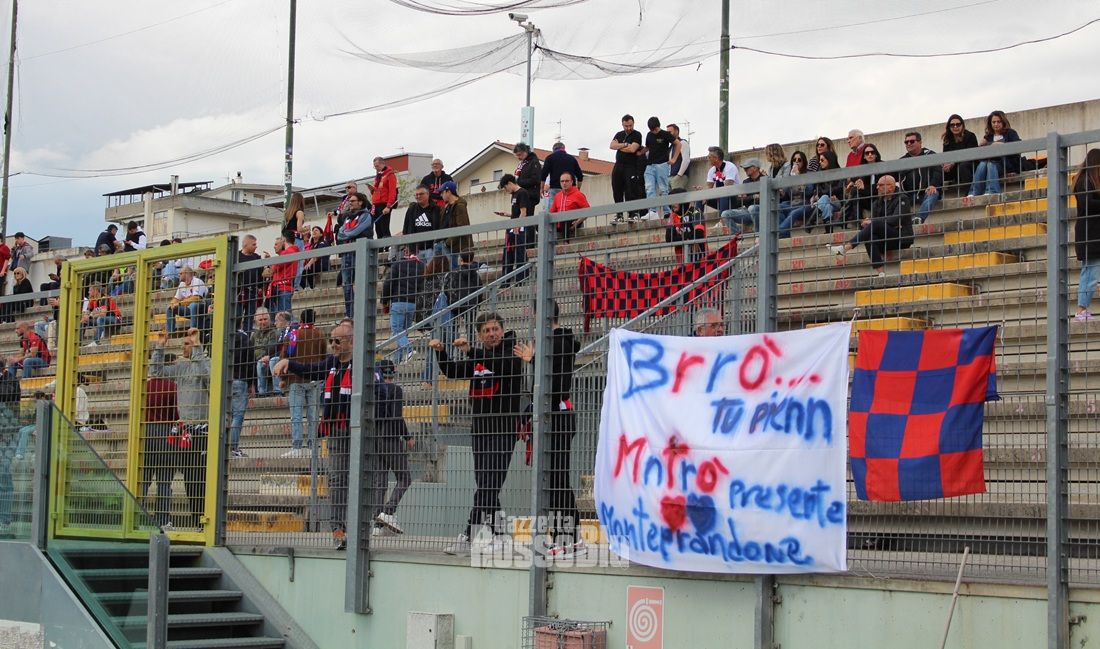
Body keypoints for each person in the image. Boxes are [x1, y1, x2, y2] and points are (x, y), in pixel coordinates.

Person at [431, 313, 525, 555]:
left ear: (502, 330)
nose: (492, 334)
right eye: (486, 331)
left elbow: (501, 366)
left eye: (495, 329)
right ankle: (500, 536)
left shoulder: (512, 353)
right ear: (480, 335)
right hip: (481, 430)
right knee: (485, 485)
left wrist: (471, 351)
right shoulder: (479, 358)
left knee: (488, 485)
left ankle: (469, 535)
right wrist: (441, 352)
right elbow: (452, 371)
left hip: (503, 430)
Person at [273, 322, 355, 549]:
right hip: (336, 429)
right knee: (337, 478)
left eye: (337, 341)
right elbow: (311, 370)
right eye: (331, 340)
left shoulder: (363, 365)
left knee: (362, 478)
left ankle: (363, 525)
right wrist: (289, 363)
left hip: (360, 430)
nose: (333, 345)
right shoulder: (331, 363)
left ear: (351, 342)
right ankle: (338, 528)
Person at [514, 302, 582, 554]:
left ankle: (570, 537)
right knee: (552, 480)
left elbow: (555, 383)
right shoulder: (554, 341)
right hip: (552, 417)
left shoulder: (559, 340)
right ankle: (563, 536)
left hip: (558, 418)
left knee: (557, 479)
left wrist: (533, 360)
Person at [149, 333, 211, 530]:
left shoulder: (206, 363)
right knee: (189, 478)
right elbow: (156, 371)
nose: (183, 347)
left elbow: (208, 376)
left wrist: (198, 347)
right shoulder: (182, 367)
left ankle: (205, 520)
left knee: (201, 477)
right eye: (183, 344)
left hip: (203, 429)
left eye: (187, 344)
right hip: (185, 430)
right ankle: (197, 520)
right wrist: (160, 346)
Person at [829, 175, 914, 277]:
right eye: (877, 185)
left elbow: (895, 220)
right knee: (870, 237)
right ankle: (881, 272)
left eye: (881, 185)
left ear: (891, 187)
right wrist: (867, 223)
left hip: (901, 238)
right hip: (885, 238)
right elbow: (875, 224)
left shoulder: (902, 198)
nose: (877, 187)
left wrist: (873, 222)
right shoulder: (877, 202)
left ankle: (845, 248)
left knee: (875, 223)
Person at [370, 359, 413, 536]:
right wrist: (407, 436)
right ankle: (388, 512)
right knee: (405, 478)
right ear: (393, 373)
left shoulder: (373, 390)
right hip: (390, 439)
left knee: (380, 481)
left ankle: (377, 524)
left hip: (375, 438)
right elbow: (396, 417)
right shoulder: (395, 390)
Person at [282, 308, 326, 457]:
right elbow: (323, 357)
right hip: (314, 380)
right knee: (313, 416)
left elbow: (284, 358)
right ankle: (313, 446)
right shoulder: (320, 334)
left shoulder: (292, 335)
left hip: (296, 379)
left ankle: (297, 447)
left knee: (296, 415)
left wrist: (283, 379)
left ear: (300, 320)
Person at [142, 369, 178, 527]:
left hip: (146, 433)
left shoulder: (145, 386)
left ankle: (136, 517)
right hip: (166, 433)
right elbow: (177, 413)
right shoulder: (172, 387)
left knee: (143, 480)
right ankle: (162, 520)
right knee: (164, 481)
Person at [966, 110, 1022, 202]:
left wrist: (1003, 145)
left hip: (1007, 164)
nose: (996, 124)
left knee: (990, 164)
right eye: (993, 122)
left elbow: (1018, 147)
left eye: (998, 122)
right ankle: (973, 192)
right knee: (983, 164)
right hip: (991, 163)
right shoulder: (988, 136)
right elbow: (981, 155)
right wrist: (981, 146)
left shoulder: (1011, 133)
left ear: (1003, 122)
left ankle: (992, 191)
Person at [382, 247, 424, 364]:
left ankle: (409, 350)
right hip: (412, 303)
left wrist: (384, 301)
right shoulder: (421, 266)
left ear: (406, 251)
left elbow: (388, 283)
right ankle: (397, 361)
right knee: (403, 334)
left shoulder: (398, 264)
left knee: (397, 332)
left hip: (399, 302)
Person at [336, 192, 374, 318]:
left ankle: (362, 312)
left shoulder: (366, 215)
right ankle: (350, 314)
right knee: (347, 285)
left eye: (352, 201)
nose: (350, 203)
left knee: (361, 283)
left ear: (360, 202)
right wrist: (348, 234)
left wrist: (347, 234)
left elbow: (355, 232)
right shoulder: (348, 217)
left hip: (360, 253)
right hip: (347, 253)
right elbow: (339, 234)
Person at [418, 256, 454, 386]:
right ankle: (432, 378)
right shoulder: (447, 278)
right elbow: (452, 296)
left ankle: (428, 379)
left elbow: (420, 301)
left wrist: (422, 323)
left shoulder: (426, 280)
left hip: (431, 319)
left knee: (435, 347)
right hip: (444, 316)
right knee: (444, 346)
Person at [1073, 149, 1100, 321]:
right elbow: (1087, 203)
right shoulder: (1084, 180)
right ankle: (1081, 310)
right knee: (1090, 272)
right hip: (1089, 235)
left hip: (1093, 234)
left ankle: (1082, 309)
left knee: (1091, 272)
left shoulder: (1089, 180)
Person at [0, 364, 25, 536]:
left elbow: (8, 397)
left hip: (7, 435)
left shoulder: (10, 381)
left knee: (4, 477)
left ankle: (4, 519)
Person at [496, 174, 534, 285]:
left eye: (505, 187)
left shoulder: (522, 193)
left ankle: (520, 281)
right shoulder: (514, 194)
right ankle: (505, 282)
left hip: (519, 229)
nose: (506, 190)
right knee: (508, 255)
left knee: (519, 255)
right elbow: (517, 212)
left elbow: (523, 212)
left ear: (509, 183)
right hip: (513, 227)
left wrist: (517, 224)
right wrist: (508, 214)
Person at [899, 132, 944, 225]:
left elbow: (938, 171)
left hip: (927, 192)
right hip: (909, 195)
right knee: (897, 199)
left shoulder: (930, 154)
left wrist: (933, 185)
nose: (908, 144)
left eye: (912, 141)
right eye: (906, 142)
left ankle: (919, 218)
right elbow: (900, 179)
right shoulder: (902, 160)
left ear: (920, 142)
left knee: (933, 193)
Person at [609, 114, 644, 223]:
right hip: (618, 165)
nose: (628, 128)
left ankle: (633, 213)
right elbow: (611, 146)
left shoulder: (637, 134)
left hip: (631, 166)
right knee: (617, 189)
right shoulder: (619, 134)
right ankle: (619, 215)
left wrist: (619, 146)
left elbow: (633, 149)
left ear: (633, 123)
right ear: (622, 125)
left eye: (630, 125)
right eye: (626, 126)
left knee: (631, 189)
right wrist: (625, 144)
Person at [227, 328, 255, 459]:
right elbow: (250, 362)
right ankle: (233, 448)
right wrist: (251, 383)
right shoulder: (244, 338)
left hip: (224, 381)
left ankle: (224, 447)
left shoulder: (223, 337)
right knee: (237, 416)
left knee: (226, 415)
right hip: (240, 379)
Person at [642, 116, 677, 220]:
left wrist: (674, 159)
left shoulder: (665, 134)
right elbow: (648, 147)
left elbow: (678, 144)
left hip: (662, 165)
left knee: (663, 189)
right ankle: (652, 211)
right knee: (649, 188)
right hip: (650, 165)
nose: (654, 131)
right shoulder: (649, 135)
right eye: (652, 130)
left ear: (659, 126)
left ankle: (667, 212)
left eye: (656, 129)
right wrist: (640, 152)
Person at [842, 143, 884, 225]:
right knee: (855, 193)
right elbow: (855, 181)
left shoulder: (882, 166)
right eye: (867, 153)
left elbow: (880, 186)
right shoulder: (862, 168)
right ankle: (859, 222)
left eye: (872, 152)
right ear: (864, 156)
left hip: (879, 197)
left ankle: (843, 216)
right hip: (867, 198)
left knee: (856, 192)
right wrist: (852, 184)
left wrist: (864, 188)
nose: (870, 154)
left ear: (876, 154)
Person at [803, 151, 844, 233]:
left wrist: (828, 193)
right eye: (819, 160)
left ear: (829, 160)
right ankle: (829, 232)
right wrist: (829, 194)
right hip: (826, 201)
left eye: (822, 160)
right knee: (827, 206)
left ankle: (811, 222)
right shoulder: (820, 174)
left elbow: (839, 188)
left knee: (824, 197)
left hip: (837, 201)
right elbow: (819, 191)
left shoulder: (839, 172)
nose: (819, 162)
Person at [720, 158, 764, 233]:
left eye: (747, 168)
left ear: (755, 168)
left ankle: (759, 235)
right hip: (748, 211)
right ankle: (737, 236)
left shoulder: (765, 178)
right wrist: (753, 197)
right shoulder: (746, 182)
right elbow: (739, 200)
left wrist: (748, 198)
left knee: (752, 208)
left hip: (762, 210)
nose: (744, 170)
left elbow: (764, 198)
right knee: (725, 214)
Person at [777, 151, 814, 238]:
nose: (796, 161)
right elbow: (787, 195)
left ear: (803, 162)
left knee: (793, 213)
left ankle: (780, 232)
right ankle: (785, 235)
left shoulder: (809, 174)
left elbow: (809, 191)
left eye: (799, 160)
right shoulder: (791, 175)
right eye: (794, 160)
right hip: (792, 203)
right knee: (778, 207)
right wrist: (782, 190)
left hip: (805, 204)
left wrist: (798, 178)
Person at [666, 188, 707, 264]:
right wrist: (690, 239)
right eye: (671, 201)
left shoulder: (695, 211)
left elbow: (698, 234)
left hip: (699, 258)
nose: (672, 204)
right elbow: (669, 238)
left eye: (675, 201)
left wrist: (679, 237)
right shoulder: (672, 216)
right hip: (682, 262)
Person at [942, 114, 979, 196]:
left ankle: (970, 193)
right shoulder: (947, 139)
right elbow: (946, 156)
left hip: (970, 165)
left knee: (963, 166)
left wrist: (953, 162)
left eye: (958, 124)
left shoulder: (970, 136)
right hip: (954, 168)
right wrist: (946, 164)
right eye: (952, 125)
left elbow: (970, 155)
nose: (955, 127)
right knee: (938, 169)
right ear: (949, 127)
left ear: (962, 125)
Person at [401, 185, 440, 263]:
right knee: (417, 270)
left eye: (421, 194)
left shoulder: (436, 209)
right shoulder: (411, 209)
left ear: (428, 194)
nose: (418, 196)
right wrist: (407, 245)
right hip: (415, 250)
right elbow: (405, 228)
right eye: (416, 194)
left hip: (431, 248)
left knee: (431, 270)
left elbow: (439, 227)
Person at [165, 266, 208, 336]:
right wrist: (172, 303)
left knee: (193, 305)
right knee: (169, 308)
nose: (179, 275)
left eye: (181, 273)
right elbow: (176, 298)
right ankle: (170, 333)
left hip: (202, 308)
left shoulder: (197, 281)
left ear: (187, 273)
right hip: (189, 309)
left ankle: (193, 332)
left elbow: (197, 298)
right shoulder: (182, 284)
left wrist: (180, 303)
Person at [540, 142, 584, 212]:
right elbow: (580, 176)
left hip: (555, 188)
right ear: (564, 148)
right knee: (569, 210)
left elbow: (543, 175)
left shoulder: (550, 158)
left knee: (553, 211)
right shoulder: (572, 159)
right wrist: (578, 188)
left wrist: (542, 188)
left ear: (553, 150)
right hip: (570, 189)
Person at [438, 181, 472, 266]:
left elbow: (462, 227)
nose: (441, 195)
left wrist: (448, 243)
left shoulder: (460, 206)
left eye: (442, 192)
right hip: (449, 245)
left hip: (455, 247)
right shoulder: (448, 206)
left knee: (454, 270)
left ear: (448, 192)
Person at [549, 172, 591, 239]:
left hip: (573, 223)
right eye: (562, 181)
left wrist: (578, 222)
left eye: (566, 181)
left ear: (571, 182)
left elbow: (588, 210)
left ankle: (566, 243)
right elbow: (552, 213)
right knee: (538, 224)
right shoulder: (557, 196)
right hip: (559, 224)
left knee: (564, 219)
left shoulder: (578, 194)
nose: (564, 183)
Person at [264, 236, 298, 315]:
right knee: (280, 316)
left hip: (283, 289)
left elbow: (268, 272)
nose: (274, 246)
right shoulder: (283, 257)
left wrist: (269, 265)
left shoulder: (288, 253)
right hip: (277, 289)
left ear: (283, 244)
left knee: (284, 317)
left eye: (276, 244)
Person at [235, 235, 262, 333]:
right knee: (237, 316)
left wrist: (260, 287)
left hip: (252, 292)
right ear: (246, 244)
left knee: (249, 318)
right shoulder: (236, 257)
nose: (256, 246)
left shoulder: (257, 257)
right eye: (253, 244)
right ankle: (236, 335)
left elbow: (260, 274)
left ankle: (246, 337)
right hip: (239, 293)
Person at [251, 307, 280, 396]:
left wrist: (264, 357)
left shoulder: (273, 332)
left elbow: (271, 348)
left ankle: (263, 392)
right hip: (255, 361)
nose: (263, 322)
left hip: (268, 359)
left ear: (269, 319)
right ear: (256, 322)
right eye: (260, 320)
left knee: (261, 363)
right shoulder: (254, 334)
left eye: (265, 319)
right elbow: (250, 349)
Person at [367, 157, 399, 239]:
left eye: (377, 166)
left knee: (384, 227)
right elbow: (378, 190)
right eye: (374, 166)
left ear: (383, 164)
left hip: (384, 204)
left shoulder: (390, 175)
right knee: (378, 228)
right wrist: (372, 190)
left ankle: (387, 245)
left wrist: (388, 206)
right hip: (376, 204)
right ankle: (380, 245)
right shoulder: (378, 176)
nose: (376, 168)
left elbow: (392, 191)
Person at [283, 191, 308, 289]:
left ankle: (288, 284)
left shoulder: (288, 213)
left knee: (290, 263)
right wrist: (306, 229)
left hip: (289, 240)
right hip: (297, 239)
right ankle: (296, 286)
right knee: (299, 264)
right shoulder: (300, 212)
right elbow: (299, 229)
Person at [512, 142, 543, 215]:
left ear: (525, 152)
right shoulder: (522, 163)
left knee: (527, 216)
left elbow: (536, 179)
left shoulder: (533, 162)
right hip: (521, 194)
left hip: (530, 195)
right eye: (516, 155)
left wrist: (519, 182)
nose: (518, 157)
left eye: (519, 155)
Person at [301, 225, 332, 291]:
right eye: (313, 231)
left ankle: (312, 287)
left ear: (321, 234)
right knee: (300, 271)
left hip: (322, 265)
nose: (314, 232)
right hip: (315, 265)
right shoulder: (312, 245)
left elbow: (317, 255)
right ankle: (307, 287)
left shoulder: (322, 242)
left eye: (316, 230)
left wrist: (309, 264)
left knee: (307, 269)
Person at [667, 123, 691, 191]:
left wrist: (679, 175)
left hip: (679, 177)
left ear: (676, 131)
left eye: (670, 132)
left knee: (677, 196)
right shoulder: (671, 146)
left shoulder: (682, 143)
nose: (668, 134)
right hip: (670, 177)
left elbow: (686, 160)